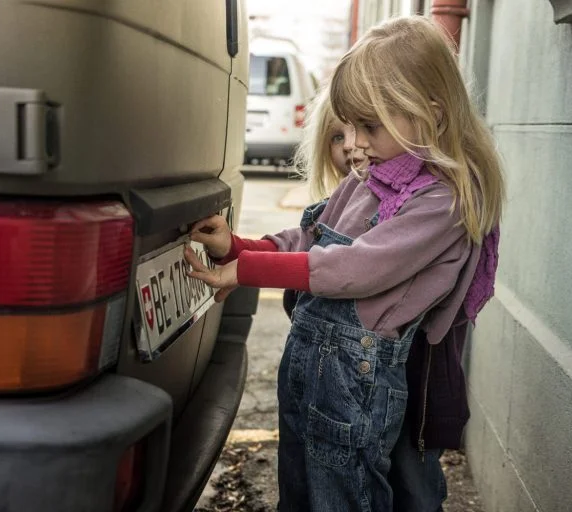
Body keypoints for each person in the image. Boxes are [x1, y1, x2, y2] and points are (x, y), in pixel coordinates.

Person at [185, 15, 504, 511]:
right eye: (348, 126)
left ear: (432, 114)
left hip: (356, 374)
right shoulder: (367, 179)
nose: (352, 143)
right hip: (311, 363)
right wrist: (241, 248)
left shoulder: (440, 201)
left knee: (344, 495)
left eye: (368, 126)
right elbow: (309, 237)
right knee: (301, 488)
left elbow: (354, 267)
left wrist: (246, 273)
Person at [283, 87, 369, 318]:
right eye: (337, 137)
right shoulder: (336, 204)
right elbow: (301, 240)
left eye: (364, 127)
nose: (349, 145)